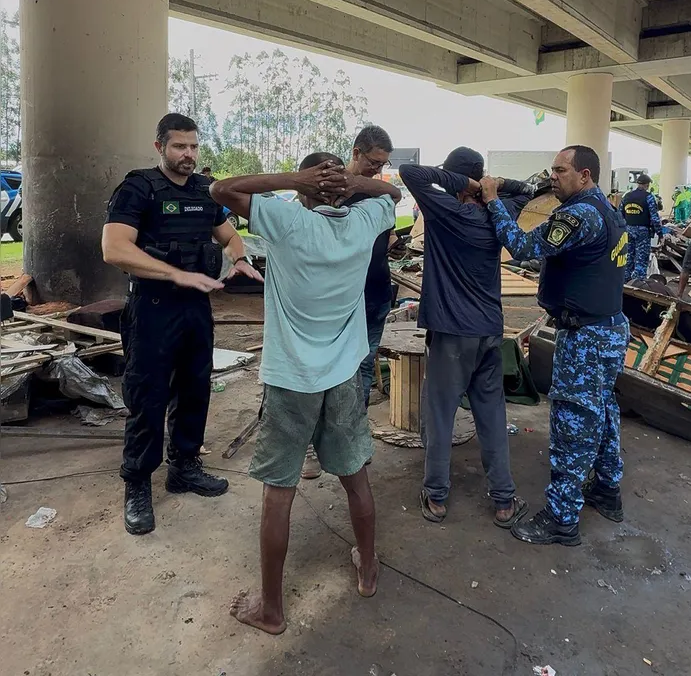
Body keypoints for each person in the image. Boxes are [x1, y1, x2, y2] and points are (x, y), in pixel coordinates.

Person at [210, 155, 400, 635]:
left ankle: (271, 608)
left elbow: (222, 190)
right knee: (355, 478)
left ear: (304, 189)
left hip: (291, 377)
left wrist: (298, 181)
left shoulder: (288, 218)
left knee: (280, 492)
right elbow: (393, 196)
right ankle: (368, 568)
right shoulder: (364, 222)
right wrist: (352, 184)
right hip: (341, 379)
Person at [102, 114, 262, 536]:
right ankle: (137, 482)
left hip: (196, 308)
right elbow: (114, 248)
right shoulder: (138, 188)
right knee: (148, 396)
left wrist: (240, 257)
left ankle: (184, 467)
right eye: (179, 147)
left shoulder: (202, 191)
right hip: (153, 307)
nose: (188, 154)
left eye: (193, 146)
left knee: (195, 388)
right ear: (160, 147)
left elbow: (228, 235)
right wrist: (174, 274)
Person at [479, 145, 629, 547]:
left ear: (584, 175)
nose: (553, 177)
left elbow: (524, 247)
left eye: (561, 171)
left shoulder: (578, 214)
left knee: (572, 422)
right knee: (603, 410)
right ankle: (607, 489)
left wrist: (493, 202)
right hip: (610, 328)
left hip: (586, 338)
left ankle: (562, 518)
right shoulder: (609, 211)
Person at [399, 148, 534, 528]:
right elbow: (527, 190)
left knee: (440, 415)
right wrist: (492, 187)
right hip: (490, 334)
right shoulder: (499, 214)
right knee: (491, 414)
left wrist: (466, 184)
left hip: (452, 334)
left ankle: (437, 495)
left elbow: (410, 172)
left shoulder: (449, 212)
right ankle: (504, 500)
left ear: (457, 179)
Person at [302, 124, 396, 480]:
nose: (378, 171)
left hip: (373, 296)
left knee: (364, 371)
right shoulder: (325, 192)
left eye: (383, 165)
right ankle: (313, 447)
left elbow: (384, 223)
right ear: (355, 153)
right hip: (333, 303)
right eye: (373, 162)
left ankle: (353, 443)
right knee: (322, 374)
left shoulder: (377, 195)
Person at [620, 173, 662, 282]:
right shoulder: (649, 197)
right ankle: (637, 285)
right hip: (642, 232)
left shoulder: (627, 196)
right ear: (647, 185)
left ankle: (625, 284)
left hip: (628, 230)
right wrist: (660, 233)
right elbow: (654, 217)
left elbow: (619, 214)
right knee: (641, 259)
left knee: (628, 258)